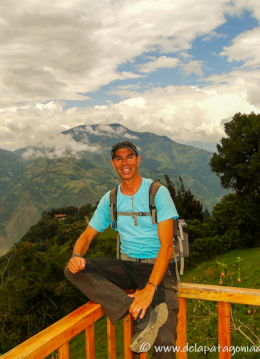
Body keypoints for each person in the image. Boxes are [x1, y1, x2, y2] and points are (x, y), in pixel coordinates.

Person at [65, 141, 179, 358]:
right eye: (119, 158)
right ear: (113, 164)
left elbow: (167, 246)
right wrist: (76, 255)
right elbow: (87, 235)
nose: (124, 162)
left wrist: (149, 289)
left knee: (164, 342)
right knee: (73, 270)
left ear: (138, 160)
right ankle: (129, 307)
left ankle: (145, 314)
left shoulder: (157, 193)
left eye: (129, 157)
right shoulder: (111, 199)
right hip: (127, 266)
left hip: (159, 269)